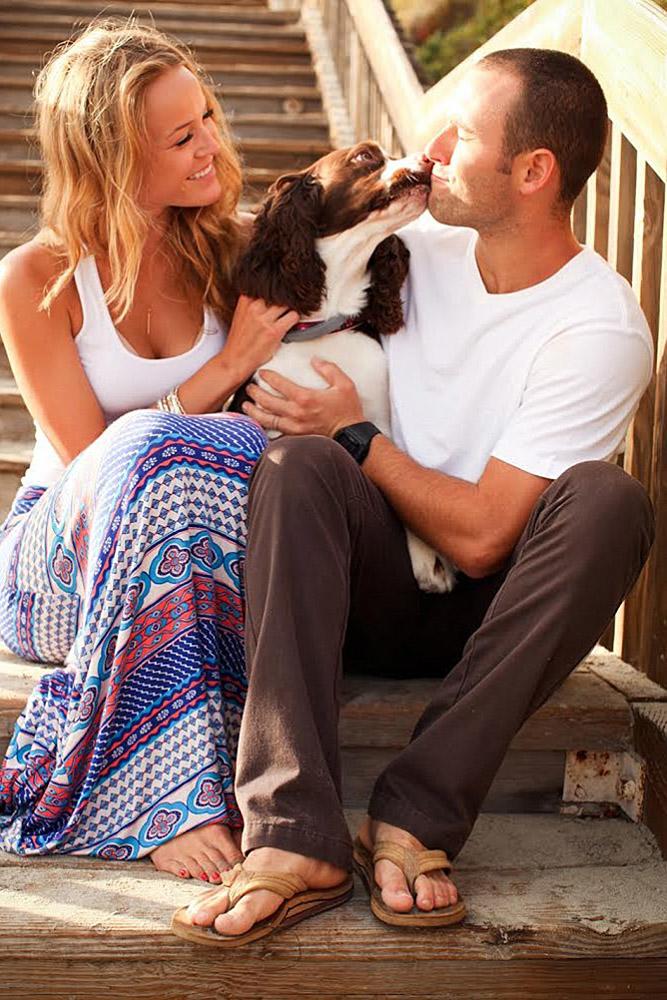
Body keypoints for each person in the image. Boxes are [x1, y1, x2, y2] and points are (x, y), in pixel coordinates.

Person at [176, 48, 655, 943]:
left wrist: (356, 431)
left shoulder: (597, 325)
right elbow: (274, 229)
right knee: (296, 467)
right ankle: (291, 835)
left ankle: (416, 814)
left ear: (532, 171)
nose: (427, 149)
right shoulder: (409, 244)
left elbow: (481, 540)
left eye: (459, 133)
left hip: (487, 614)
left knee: (609, 501)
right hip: (359, 581)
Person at [0, 20, 299, 877]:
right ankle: (153, 795)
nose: (211, 145)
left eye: (207, 116)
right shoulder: (38, 278)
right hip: (61, 568)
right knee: (154, 450)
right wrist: (231, 365)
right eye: (181, 136)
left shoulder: (233, 246)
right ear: (110, 158)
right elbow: (97, 459)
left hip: (202, 565)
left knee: (232, 457)